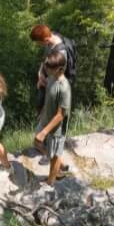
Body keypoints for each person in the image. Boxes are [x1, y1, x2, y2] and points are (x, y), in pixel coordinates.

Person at [33, 48, 72, 186]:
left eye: (49, 67)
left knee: (54, 156)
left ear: (60, 69)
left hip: (56, 129)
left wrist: (44, 132)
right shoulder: (51, 77)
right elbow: (49, 99)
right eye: (46, 66)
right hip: (45, 119)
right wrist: (43, 112)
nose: (46, 69)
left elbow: (61, 115)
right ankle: (60, 166)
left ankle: (50, 182)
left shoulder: (64, 88)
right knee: (36, 142)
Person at [30, 23, 76, 111]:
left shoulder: (61, 52)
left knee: (48, 111)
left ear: (46, 40)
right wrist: (40, 73)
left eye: (38, 43)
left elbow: (58, 74)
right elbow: (45, 59)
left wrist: (44, 82)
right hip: (48, 81)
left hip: (56, 87)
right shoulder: (51, 38)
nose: (38, 45)